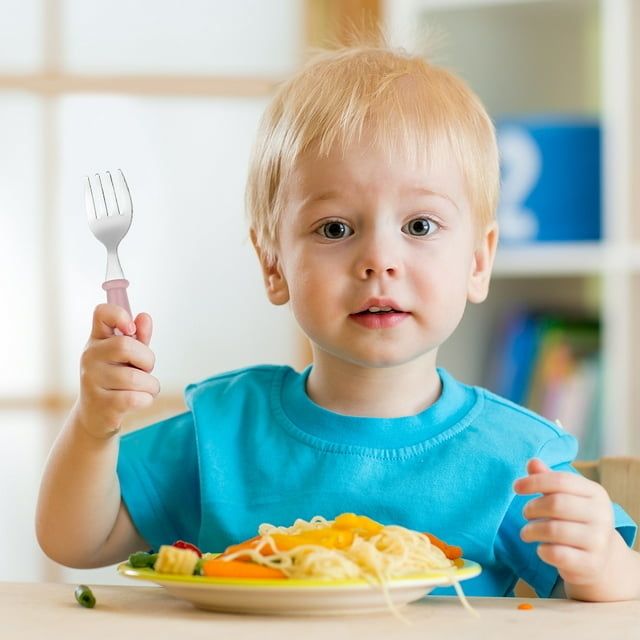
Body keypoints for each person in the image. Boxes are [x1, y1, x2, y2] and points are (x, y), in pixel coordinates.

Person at [36, 42, 639, 600]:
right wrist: (95, 425)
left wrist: (607, 566)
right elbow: (75, 540)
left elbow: (617, 594)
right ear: (274, 264)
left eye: (420, 226)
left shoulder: (511, 458)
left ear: (478, 261)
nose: (379, 260)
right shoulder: (222, 430)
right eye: (335, 229)